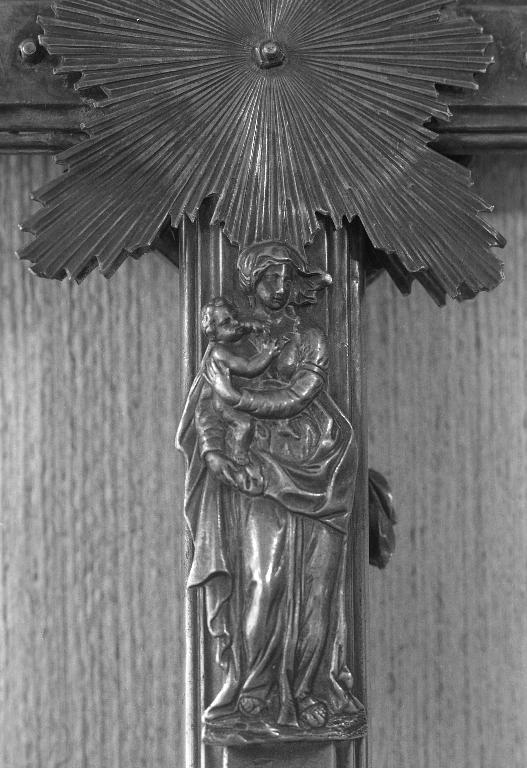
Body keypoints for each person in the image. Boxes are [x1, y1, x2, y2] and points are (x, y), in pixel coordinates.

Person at [177, 241, 363, 737]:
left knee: (318, 587)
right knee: (264, 578)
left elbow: (299, 396)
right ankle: (254, 688)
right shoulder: (230, 342)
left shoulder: (312, 339)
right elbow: (207, 407)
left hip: (321, 465)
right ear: (251, 282)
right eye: (268, 278)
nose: (279, 288)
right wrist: (213, 452)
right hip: (258, 470)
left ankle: (307, 690)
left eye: (285, 277)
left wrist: (238, 396)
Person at [200, 295, 280, 467]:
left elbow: (241, 325)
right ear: (213, 332)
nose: (235, 323)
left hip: (242, 397)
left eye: (235, 317)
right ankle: (239, 454)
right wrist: (267, 353)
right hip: (225, 404)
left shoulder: (229, 335)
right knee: (244, 424)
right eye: (226, 322)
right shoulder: (219, 352)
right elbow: (248, 368)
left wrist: (253, 325)